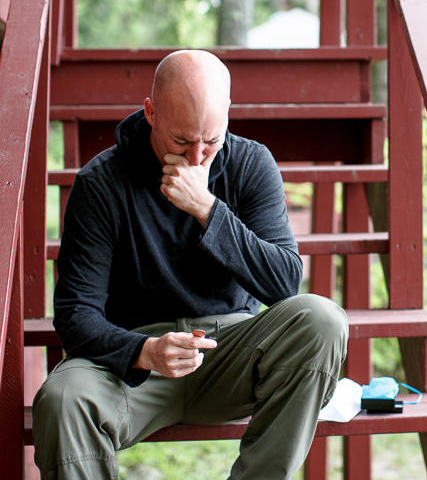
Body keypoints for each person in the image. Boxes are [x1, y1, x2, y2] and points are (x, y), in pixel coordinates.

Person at [32, 50, 348, 480]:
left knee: (322, 319)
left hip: (229, 351)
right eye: (182, 141)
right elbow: (75, 313)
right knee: (62, 397)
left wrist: (208, 210)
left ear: (228, 115)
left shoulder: (251, 163)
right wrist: (143, 352)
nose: (198, 156)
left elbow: (285, 282)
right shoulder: (101, 182)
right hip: (134, 365)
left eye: (212, 141)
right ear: (151, 113)